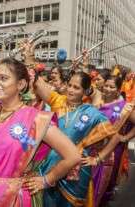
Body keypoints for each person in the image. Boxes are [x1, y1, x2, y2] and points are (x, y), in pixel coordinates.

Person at [0, 25, 80, 207]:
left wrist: (46, 180)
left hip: (13, 199)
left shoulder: (36, 119)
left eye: (3, 78)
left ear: (21, 85)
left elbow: (72, 155)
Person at [33, 69, 120, 206]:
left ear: (85, 92)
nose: (71, 90)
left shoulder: (92, 113)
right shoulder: (58, 102)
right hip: (50, 165)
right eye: (70, 85)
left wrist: (97, 159)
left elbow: (115, 137)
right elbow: (38, 84)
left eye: (76, 88)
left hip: (76, 173)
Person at [81, 75, 135, 206]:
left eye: (112, 87)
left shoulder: (125, 107)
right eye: (106, 85)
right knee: (86, 184)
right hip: (90, 148)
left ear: (118, 89)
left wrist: (125, 137)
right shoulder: (95, 101)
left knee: (104, 185)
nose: (108, 89)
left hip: (112, 151)